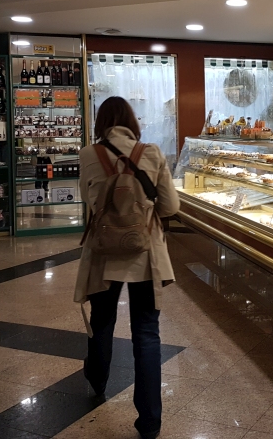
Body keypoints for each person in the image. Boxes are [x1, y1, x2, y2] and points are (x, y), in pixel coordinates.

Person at [74, 96, 179, 439]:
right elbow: (170, 206)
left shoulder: (88, 154)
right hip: (144, 254)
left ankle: (97, 380)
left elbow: (88, 202)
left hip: (104, 253)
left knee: (102, 321)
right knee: (146, 332)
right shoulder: (152, 152)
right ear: (133, 122)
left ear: (101, 122)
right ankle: (149, 421)